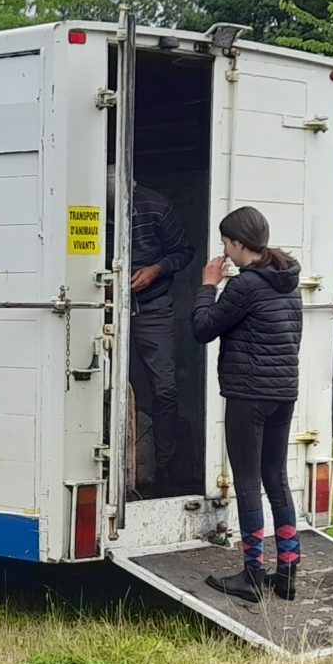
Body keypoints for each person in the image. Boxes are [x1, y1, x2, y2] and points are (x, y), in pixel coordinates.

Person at [192, 206, 303, 603]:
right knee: (276, 477)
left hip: (248, 395)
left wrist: (208, 286)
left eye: (226, 243)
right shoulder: (288, 280)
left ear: (239, 244)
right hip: (282, 394)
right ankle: (287, 571)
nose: (224, 250)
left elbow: (203, 328)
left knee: (248, 481)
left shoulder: (246, 286)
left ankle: (252, 574)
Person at [128, 184, 193, 491]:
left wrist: (156, 269)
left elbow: (184, 252)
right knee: (97, 385)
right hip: (101, 303)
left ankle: (165, 473)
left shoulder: (157, 206)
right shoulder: (84, 200)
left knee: (164, 388)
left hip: (152, 305)